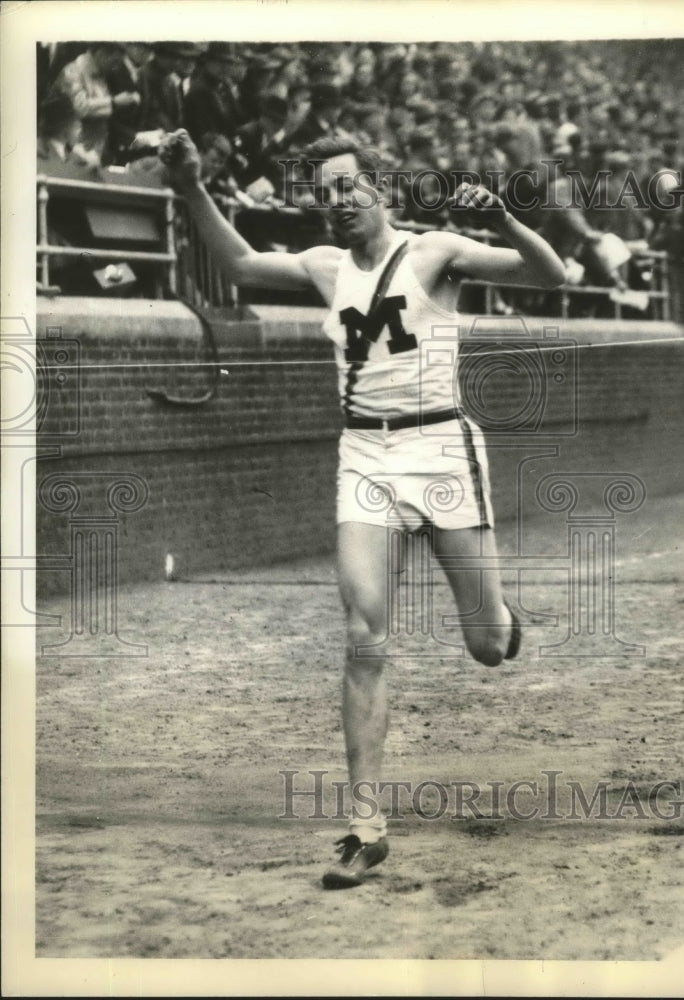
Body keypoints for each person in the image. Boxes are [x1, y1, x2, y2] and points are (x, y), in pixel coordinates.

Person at [158, 128, 565, 889]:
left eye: (350, 187)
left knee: (483, 644)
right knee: (362, 634)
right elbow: (242, 262)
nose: (337, 203)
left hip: (441, 449)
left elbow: (552, 274)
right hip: (366, 459)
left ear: (381, 187)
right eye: (325, 193)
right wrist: (190, 187)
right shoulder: (323, 267)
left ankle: (504, 622)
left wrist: (507, 221)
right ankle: (365, 826)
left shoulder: (436, 253)